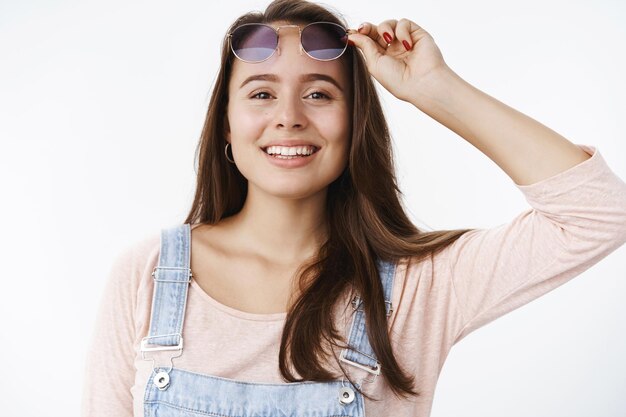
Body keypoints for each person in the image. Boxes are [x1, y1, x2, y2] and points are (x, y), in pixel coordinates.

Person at [81, 0, 626, 416]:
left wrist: (434, 88)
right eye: (261, 93)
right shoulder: (150, 274)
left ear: (355, 123)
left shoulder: (422, 285)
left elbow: (597, 213)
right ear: (226, 123)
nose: (289, 117)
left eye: (319, 94)